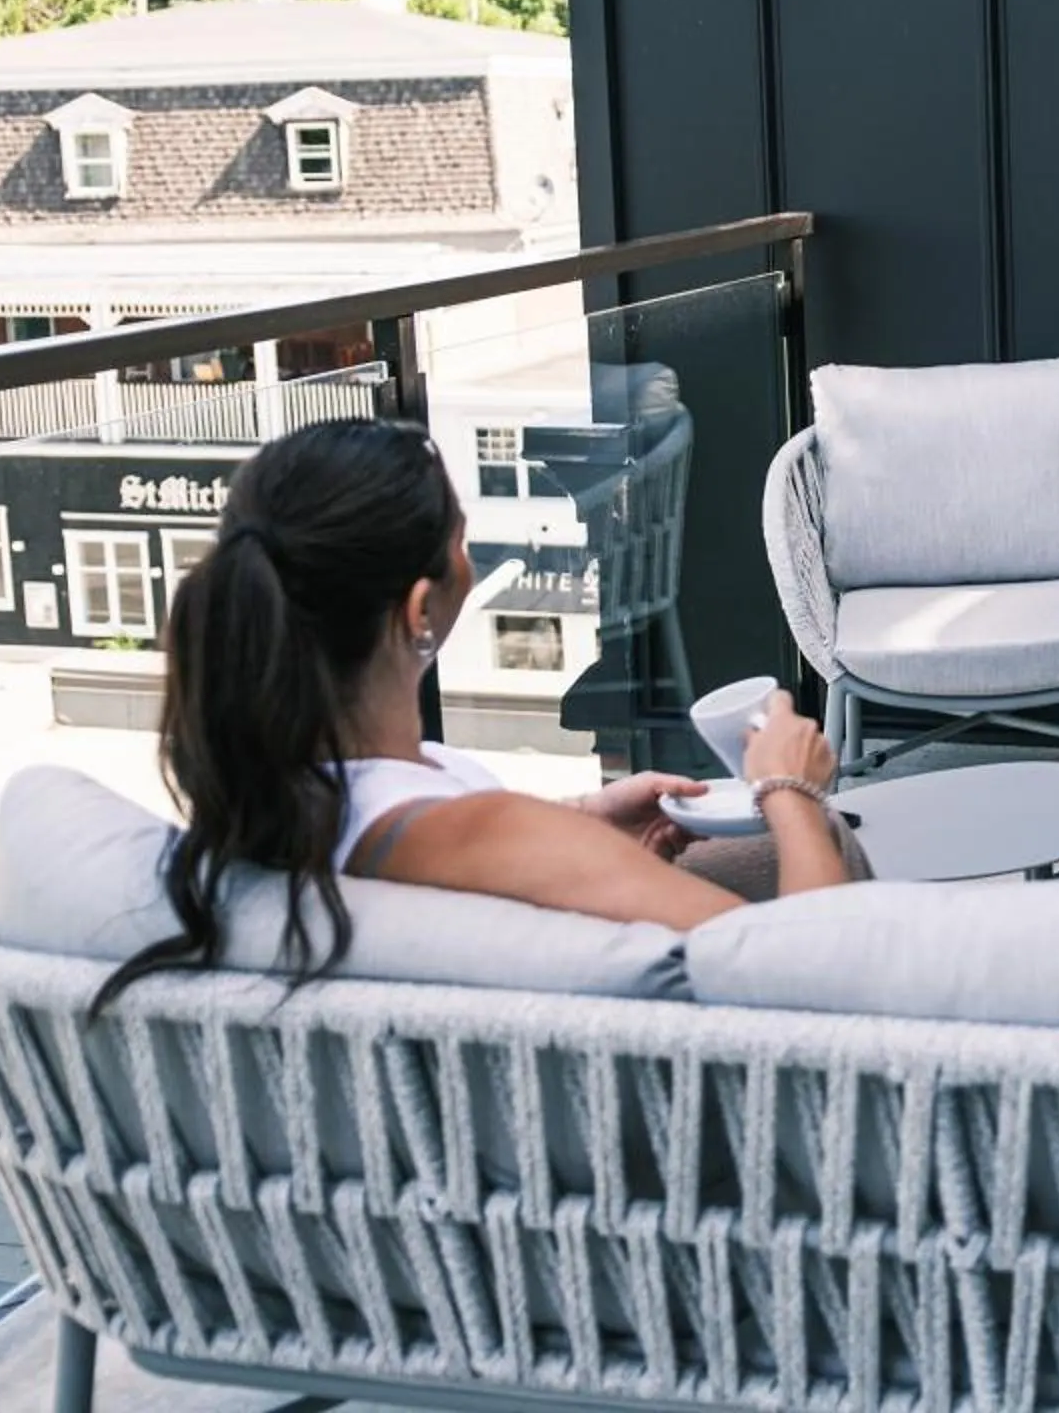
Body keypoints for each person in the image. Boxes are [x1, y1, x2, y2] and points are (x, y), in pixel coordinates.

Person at [95, 418, 856, 1008]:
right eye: (460, 538)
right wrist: (790, 789)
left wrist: (579, 823)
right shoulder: (474, 834)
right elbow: (812, 974)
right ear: (419, 609)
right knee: (837, 846)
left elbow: (454, 843)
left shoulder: (268, 795)